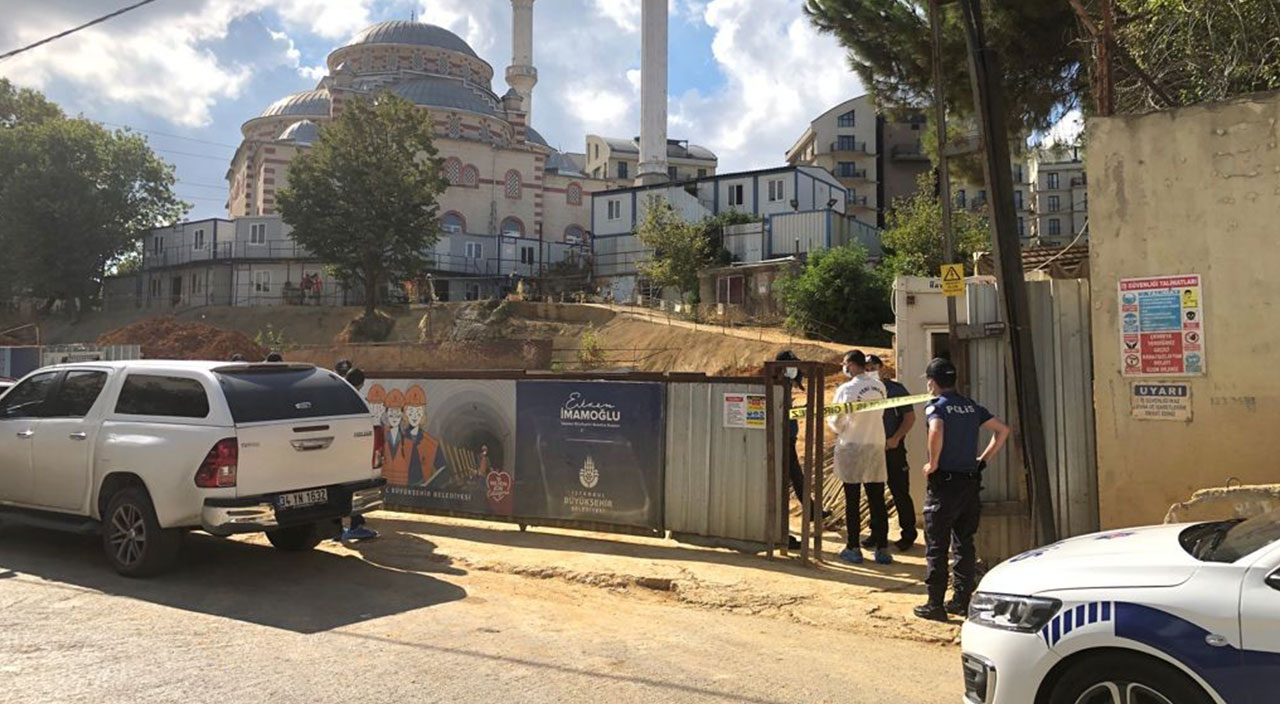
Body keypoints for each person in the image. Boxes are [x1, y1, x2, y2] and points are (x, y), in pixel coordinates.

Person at [914, 357, 1011, 621]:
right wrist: (983, 460)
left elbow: (936, 429)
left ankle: (934, 604)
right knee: (964, 543)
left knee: (937, 545)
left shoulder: (936, 406)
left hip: (944, 484)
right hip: (969, 483)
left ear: (932, 382)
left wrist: (933, 463)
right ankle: (961, 599)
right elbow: (1002, 430)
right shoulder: (970, 406)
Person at [830, 350, 891, 565]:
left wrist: (840, 430)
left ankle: (853, 547)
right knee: (877, 499)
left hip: (853, 446)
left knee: (852, 499)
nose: (844, 367)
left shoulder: (846, 389)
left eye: (845, 364)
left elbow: (836, 419)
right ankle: (882, 548)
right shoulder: (879, 386)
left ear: (851, 365)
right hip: (875, 444)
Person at [865, 355, 918, 551]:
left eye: (873, 367)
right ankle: (877, 533)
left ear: (881, 367)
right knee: (873, 494)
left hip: (893, 449)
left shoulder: (896, 390)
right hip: (872, 449)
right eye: (866, 368)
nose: (870, 371)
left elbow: (909, 417)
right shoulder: (863, 391)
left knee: (900, 492)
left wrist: (896, 438)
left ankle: (908, 534)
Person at [334, 358, 377, 542]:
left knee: (335, 487)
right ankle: (355, 525)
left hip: (333, 451)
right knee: (354, 488)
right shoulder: (357, 400)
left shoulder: (332, 396)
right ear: (361, 384)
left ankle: (336, 529)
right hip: (352, 451)